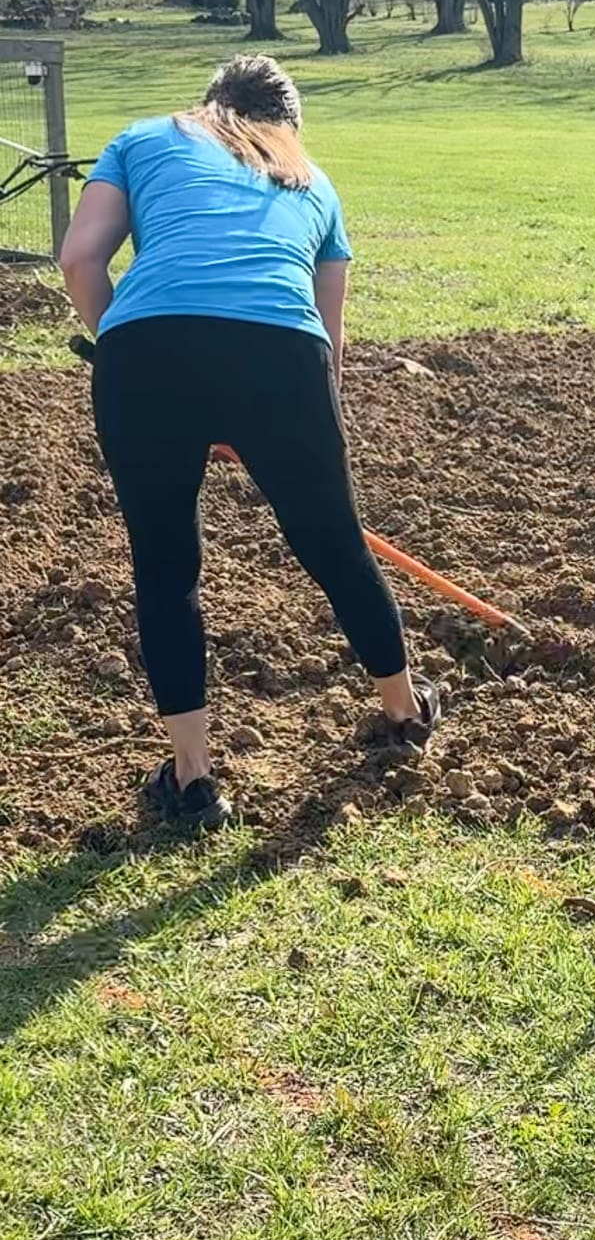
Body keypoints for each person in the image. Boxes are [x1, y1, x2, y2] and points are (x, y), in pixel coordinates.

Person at [59, 53, 439, 829]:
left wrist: (124, 344)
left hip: (145, 354)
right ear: (286, 126)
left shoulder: (141, 138)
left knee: (166, 565)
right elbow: (326, 346)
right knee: (336, 546)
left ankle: (193, 780)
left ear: (209, 105)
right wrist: (267, 420)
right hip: (280, 361)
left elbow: (78, 259)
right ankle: (405, 714)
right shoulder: (315, 181)